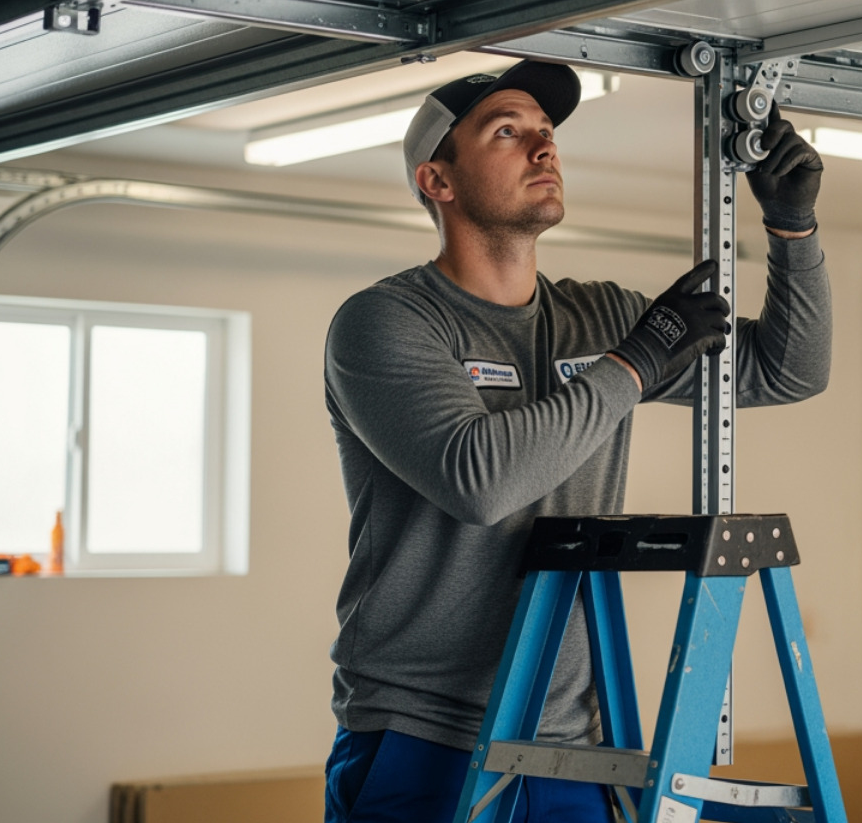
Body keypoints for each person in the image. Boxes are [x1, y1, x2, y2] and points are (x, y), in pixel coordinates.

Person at [320, 59, 832, 822]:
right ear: (439, 181)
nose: (542, 148)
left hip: (569, 740)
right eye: (507, 132)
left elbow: (786, 371)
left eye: (546, 132)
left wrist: (792, 231)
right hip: (423, 735)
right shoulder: (384, 324)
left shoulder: (598, 318)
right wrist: (634, 363)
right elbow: (479, 481)